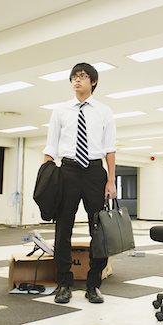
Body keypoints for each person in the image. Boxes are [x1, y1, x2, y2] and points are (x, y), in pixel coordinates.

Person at [43, 62, 116, 304]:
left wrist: (110, 180)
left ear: (93, 82)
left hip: (95, 172)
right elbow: (51, 146)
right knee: (63, 228)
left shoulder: (104, 111)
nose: (78, 80)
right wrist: (47, 176)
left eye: (83, 77)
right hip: (68, 171)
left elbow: (109, 149)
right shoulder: (61, 110)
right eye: (75, 76)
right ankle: (64, 283)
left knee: (99, 230)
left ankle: (94, 283)